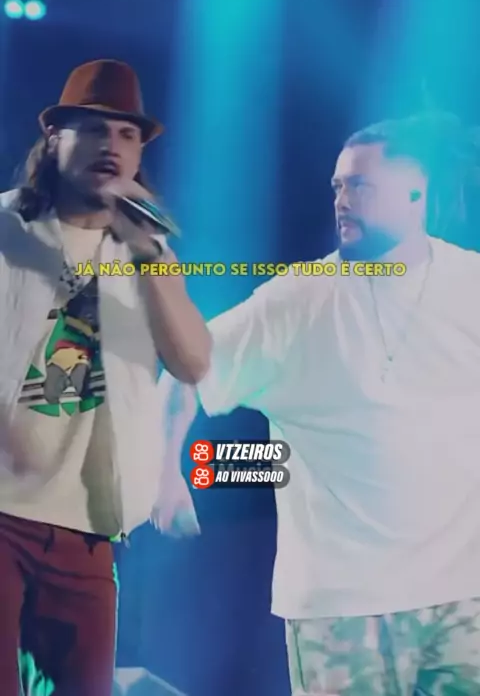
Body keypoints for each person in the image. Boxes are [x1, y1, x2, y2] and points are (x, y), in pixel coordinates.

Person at [157, 115, 480, 695]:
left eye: (361, 186)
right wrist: (164, 476)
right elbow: (185, 368)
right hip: (343, 608)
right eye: (338, 186)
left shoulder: (469, 284)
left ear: (416, 195)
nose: (343, 200)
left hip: (462, 600)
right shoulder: (294, 302)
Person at [0, 58, 211, 696]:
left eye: (126, 134)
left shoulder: (148, 253)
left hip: (89, 529)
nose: (111, 146)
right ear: (54, 136)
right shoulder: (7, 227)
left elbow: (193, 363)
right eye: (93, 129)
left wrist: (151, 257)